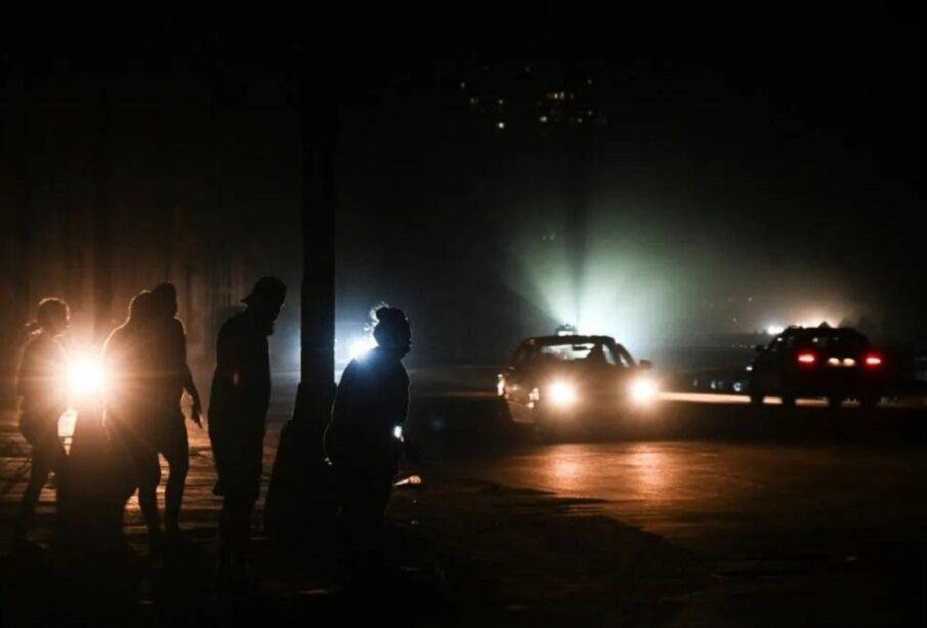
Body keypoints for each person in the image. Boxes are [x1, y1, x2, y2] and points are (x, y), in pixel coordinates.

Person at [323, 304, 412, 584]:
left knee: (356, 509)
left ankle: (351, 569)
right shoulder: (392, 372)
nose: (409, 341)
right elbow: (383, 418)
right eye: (406, 335)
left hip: (353, 449)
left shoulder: (368, 365)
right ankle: (358, 572)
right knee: (366, 510)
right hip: (365, 452)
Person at [208, 276, 286, 580]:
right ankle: (231, 561)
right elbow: (236, 381)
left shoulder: (244, 332)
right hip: (235, 427)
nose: (276, 314)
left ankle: (231, 558)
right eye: (274, 307)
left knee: (240, 494)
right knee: (240, 494)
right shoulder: (245, 335)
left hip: (239, 426)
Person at [102, 290, 164, 554]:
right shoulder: (141, 341)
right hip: (134, 422)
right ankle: (151, 534)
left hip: (122, 420)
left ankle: (120, 532)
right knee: (143, 478)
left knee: (132, 478)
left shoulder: (118, 337)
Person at [11, 298, 70, 548]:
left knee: (43, 475)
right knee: (64, 474)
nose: (67, 322)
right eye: (63, 317)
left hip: (38, 421)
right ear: (53, 319)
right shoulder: (47, 347)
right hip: (41, 422)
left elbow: (23, 385)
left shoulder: (40, 345)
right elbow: (30, 385)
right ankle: (63, 528)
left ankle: (25, 529)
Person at [150, 281, 203, 539]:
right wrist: (194, 396)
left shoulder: (144, 329)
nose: (176, 305)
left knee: (147, 474)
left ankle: (154, 529)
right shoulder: (173, 327)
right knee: (179, 467)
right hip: (167, 412)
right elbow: (180, 366)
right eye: (173, 300)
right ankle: (170, 524)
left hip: (146, 412)